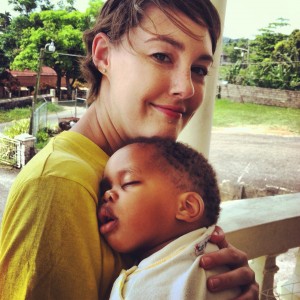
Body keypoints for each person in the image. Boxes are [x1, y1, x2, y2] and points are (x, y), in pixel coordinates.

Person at [0, 0, 258, 299]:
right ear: (103, 55)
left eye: (199, 69)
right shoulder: (59, 184)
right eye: (162, 56)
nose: (186, 88)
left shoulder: (152, 178)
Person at [99, 137, 241, 299]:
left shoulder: (190, 278)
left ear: (186, 207)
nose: (107, 195)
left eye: (128, 183)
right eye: (105, 188)